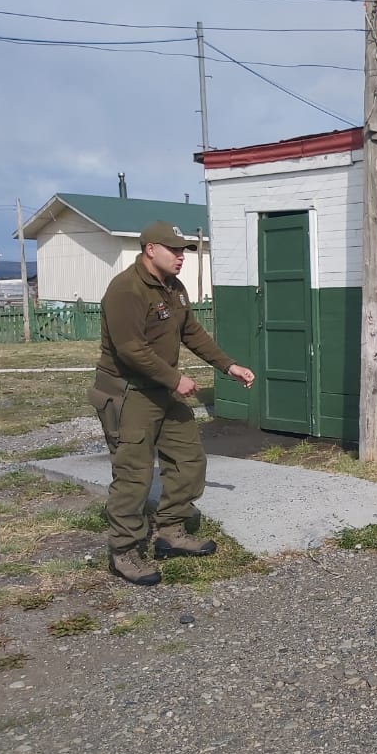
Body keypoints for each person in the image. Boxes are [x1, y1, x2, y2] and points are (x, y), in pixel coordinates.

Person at [88, 221, 255, 586]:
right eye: (174, 250)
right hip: (129, 392)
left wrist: (228, 365)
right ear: (150, 249)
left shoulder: (174, 288)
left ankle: (170, 532)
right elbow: (130, 349)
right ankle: (124, 551)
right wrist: (175, 379)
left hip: (163, 392)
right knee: (134, 473)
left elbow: (191, 332)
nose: (181, 256)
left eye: (183, 251)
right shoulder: (126, 289)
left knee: (188, 459)